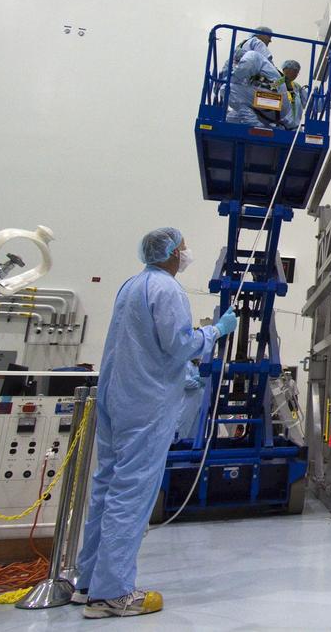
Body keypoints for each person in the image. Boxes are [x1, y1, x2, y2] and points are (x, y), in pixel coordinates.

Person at [75, 228, 237, 618]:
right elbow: (179, 345)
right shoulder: (167, 291)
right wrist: (215, 331)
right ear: (169, 253)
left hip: (117, 397)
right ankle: (110, 593)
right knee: (131, 494)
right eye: (182, 248)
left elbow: (138, 345)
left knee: (107, 487)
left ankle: (87, 582)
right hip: (146, 405)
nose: (186, 253)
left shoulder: (131, 286)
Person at [225, 27, 284, 127]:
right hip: (262, 95)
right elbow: (267, 64)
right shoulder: (256, 42)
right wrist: (282, 79)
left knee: (232, 112)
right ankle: (260, 126)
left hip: (246, 91)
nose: (270, 40)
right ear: (259, 34)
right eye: (269, 36)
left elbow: (225, 73)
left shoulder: (238, 49)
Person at [277, 59, 304, 129]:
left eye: (297, 72)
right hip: (278, 125)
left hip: (294, 128)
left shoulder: (297, 87)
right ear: (285, 70)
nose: (296, 74)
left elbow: (310, 101)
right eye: (295, 71)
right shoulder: (276, 83)